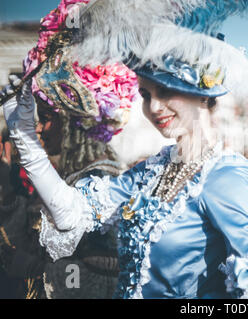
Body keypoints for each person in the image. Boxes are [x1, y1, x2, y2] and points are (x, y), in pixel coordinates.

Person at [1, 0, 248, 299]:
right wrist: (24, 135)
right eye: (145, 94)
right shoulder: (153, 171)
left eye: (165, 91)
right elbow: (70, 214)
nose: (154, 107)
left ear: (204, 95)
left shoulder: (226, 175)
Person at [0, 0, 138, 298]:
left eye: (46, 118)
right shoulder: (73, 174)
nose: (39, 127)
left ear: (75, 124)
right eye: (37, 119)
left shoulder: (100, 182)